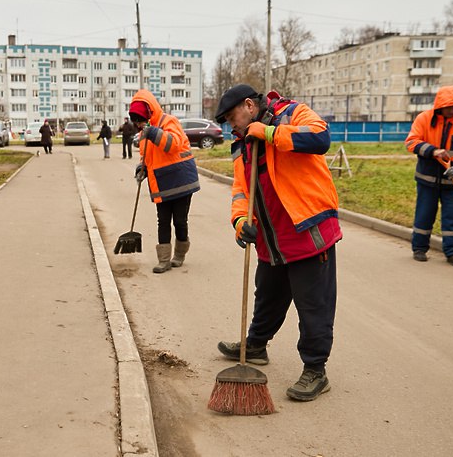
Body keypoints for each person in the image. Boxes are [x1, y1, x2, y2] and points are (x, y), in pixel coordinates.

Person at [213, 84, 342, 402]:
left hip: (307, 234)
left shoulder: (293, 113)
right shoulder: (241, 144)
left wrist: (270, 133)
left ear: (249, 105)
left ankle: (316, 370)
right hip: (271, 240)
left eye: (233, 118)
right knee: (267, 298)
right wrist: (240, 221)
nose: (232, 125)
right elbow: (241, 189)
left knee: (313, 307)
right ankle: (255, 346)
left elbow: (320, 139)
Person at [405, 85, 453, 266]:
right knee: (424, 215)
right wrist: (433, 151)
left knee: (452, 217)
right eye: (448, 107)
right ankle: (419, 249)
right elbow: (411, 142)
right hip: (427, 179)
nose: (451, 110)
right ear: (439, 106)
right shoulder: (424, 119)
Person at [129, 89, 199, 273]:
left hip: (181, 181)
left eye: (140, 120)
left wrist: (151, 131)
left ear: (148, 114)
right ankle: (164, 260)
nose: (138, 124)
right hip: (161, 183)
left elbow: (173, 145)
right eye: (135, 121)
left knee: (180, 221)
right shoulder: (144, 133)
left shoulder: (169, 121)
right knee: (163, 221)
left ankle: (179, 254)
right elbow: (145, 156)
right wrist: (140, 169)